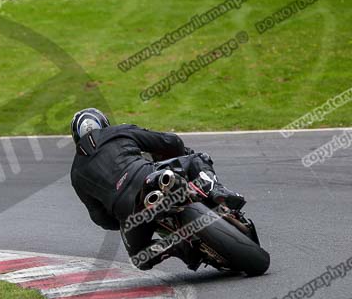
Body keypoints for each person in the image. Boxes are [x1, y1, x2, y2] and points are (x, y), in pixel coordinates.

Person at [69, 108, 245, 270]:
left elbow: (101, 219)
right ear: (104, 123)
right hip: (149, 175)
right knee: (198, 159)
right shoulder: (118, 131)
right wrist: (180, 152)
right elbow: (170, 141)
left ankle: (178, 247)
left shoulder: (76, 173)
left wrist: (122, 219)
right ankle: (217, 191)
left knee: (140, 257)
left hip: (130, 213)